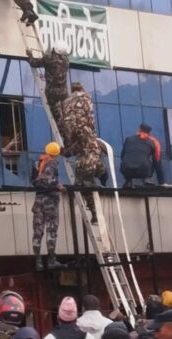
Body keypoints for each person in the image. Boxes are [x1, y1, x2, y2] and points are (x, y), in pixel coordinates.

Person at [62, 82, 105, 224]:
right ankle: (102, 179)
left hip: (72, 133)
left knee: (83, 184)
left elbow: (75, 147)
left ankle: (93, 212)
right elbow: (90, 115)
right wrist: (90, 127)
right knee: (91, 179)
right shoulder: (86, 97)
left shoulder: (67, 100)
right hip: (87, 161)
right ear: (81, 88)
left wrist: (66, 151)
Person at [31, 142, 66, 270]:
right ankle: (51, 260)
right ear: (56, 154)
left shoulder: (38, 163)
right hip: (50, 201)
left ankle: (38, 262)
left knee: (37, 231)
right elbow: (49, 181)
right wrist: (59, 186)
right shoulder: (52, 163)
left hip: (38, 200)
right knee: (51, 230)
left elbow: (34, 180)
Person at [27, 41, 70, 136]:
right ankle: (68, 133)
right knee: (66, 116)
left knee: (56, 116)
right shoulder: (66, 61)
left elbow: (33, 63)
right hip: (64, 93)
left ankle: (63, 136)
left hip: (52, 93)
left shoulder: (49, 59)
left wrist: (29, 55)